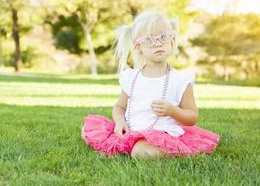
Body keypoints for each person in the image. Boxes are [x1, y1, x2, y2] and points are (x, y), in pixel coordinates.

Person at [80, 10, 220, 159]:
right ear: (138, 47)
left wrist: (172, 111)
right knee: (87, 130)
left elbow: (192, 117)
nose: (157, 43)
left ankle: (180, 152)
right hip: (131, 131)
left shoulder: (180, 81)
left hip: (162, 136)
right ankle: (126, 147)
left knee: (140, 151)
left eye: (163, 37)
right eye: (149, 40)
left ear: (172, 41)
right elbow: (119, 107)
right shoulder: (132, 77)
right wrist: (120, 122)